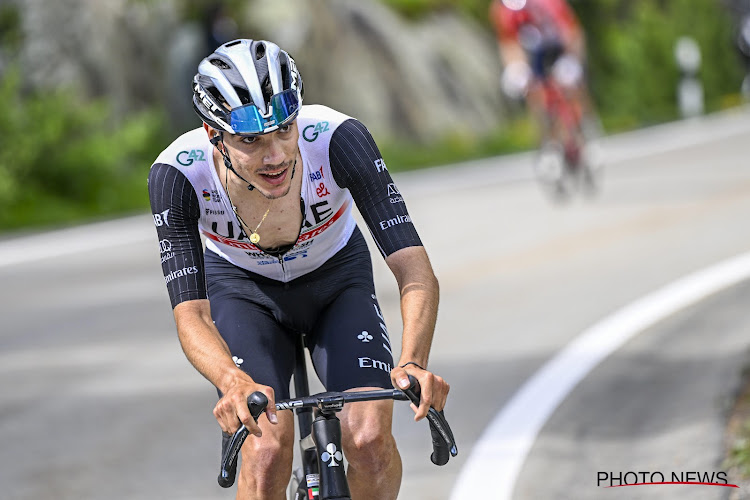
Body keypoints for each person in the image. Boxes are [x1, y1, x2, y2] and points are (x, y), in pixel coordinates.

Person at [147, 38, 449, 500]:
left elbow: (415, 271)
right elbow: (191, 314)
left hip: (337, 279)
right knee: (265, 454)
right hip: (243, 290)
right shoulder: (178, 175)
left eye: (284, 130)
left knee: (368, 441)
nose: (276, 156)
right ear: (214, 135)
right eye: (250, 140)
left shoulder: (337, 139)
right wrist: (232, 382)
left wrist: (413, 362)